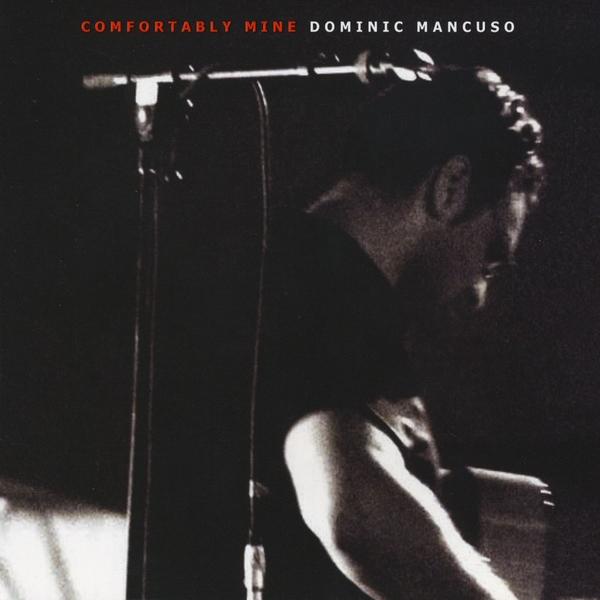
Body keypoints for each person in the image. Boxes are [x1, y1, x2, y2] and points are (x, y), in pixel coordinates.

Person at [254, 62, 544, 600]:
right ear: (452, 185)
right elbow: (356, 517)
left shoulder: (282, 268)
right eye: (489, 257)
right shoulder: (330, 284)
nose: (478, 294)